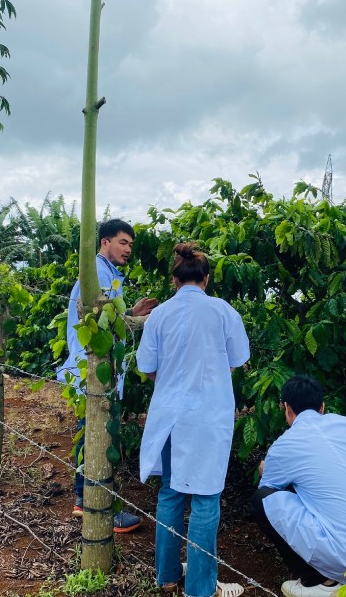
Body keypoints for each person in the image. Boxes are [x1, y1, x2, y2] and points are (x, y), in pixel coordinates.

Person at [137, 243, 249, 597]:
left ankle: (167, 577)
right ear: (207, 279)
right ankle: (200, 588)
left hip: (169, 415)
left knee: (171, 493)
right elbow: (237, 360)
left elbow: (146, 367)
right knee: (206, 498)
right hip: (209, 417)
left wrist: (172, 382)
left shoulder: (159, 315)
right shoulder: (223, 311)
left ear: (174, 280)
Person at [252, 376, 346, 597]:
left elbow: (269, 492)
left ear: (287, 408)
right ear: (322, 407)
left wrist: (266, 470)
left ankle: (321, 583)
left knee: (261, 499)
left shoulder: (284, 446)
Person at [56, 218, 157, 533]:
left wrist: (131, 313)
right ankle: (93, 503)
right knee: (95, 434)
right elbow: (106, 326)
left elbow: (107, 318)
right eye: (122, 242)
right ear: (104, 242)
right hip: (93, 370)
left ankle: (83, 498)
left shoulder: (108, 274)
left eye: (130, 245)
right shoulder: (100, 273)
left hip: (92, 368)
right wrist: (147, 322)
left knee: (89, 432)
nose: (128, 249)